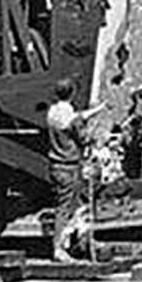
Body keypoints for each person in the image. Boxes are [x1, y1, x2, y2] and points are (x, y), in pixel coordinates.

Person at [46, 77, 107, 262]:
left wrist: (97, 110)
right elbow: (82, 136)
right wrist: (97, 138)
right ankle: (59, 249)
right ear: (72, 93)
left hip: (55, 165)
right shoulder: (72, 119)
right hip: (69, 166)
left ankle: (77, 242)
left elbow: (76, 118)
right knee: (65, 209)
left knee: (72, 207)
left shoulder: (53, 112)